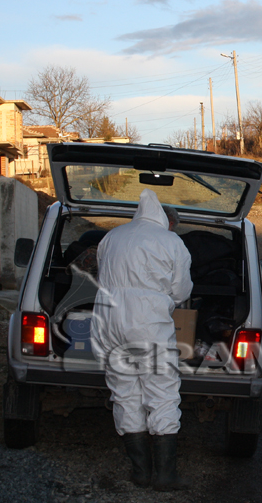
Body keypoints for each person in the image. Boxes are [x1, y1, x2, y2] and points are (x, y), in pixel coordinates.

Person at [90, 190, 193, 491]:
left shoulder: (112, 236)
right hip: (148, 323)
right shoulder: (171, 241)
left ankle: (140, 472)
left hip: (108, 320)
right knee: (161, 392)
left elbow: (102, 272)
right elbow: (181, 290)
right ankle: (164, 475)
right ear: (168, 222)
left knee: (124, 391)